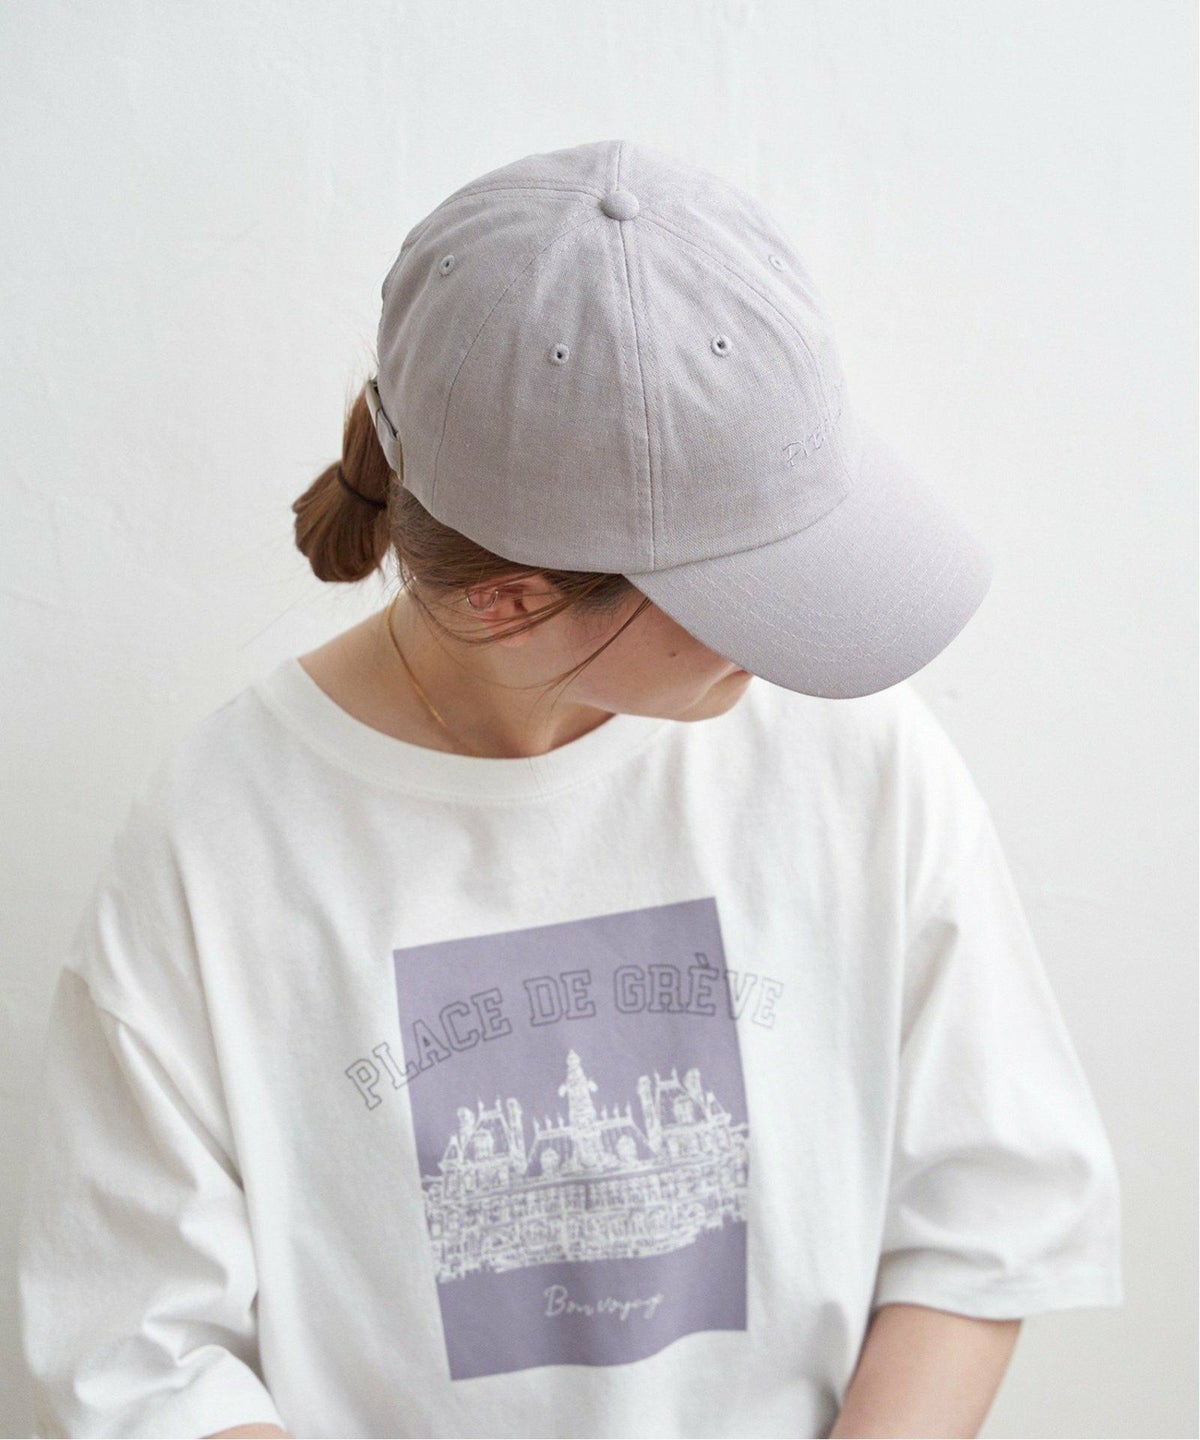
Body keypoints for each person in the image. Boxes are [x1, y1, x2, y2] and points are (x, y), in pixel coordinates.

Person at [16, 139, 1123, 1440]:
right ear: (511, 599)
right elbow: (139, 1347)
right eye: (746, 594)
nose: (791, 640)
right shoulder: (222, 845)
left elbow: (986, 1211)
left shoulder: (853, 758)